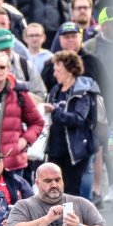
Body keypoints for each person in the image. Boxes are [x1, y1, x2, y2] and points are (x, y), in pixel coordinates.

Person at [42, 50, 103, 197]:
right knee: (55, 189)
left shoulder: (82, 92)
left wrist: (55, 111)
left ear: (69, 71)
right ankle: (58, 212)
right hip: (55, 149)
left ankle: (74, 212)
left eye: (58, 70)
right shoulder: (56, 90)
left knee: (71, 190)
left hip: (74, 150)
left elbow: (78, 118)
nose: (54, 74)